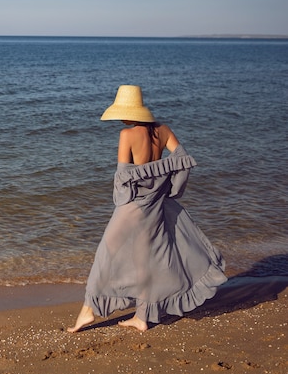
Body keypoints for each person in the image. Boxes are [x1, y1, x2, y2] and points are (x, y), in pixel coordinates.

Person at [67, 85, 227, 333]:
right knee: (145, 260)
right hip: (156, 207)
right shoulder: (163, 131)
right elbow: (183, 160)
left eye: (122, 111)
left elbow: (122, 179)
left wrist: (123, 200)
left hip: (131, 208)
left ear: (131, 112)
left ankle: (88, 311)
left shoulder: (126, 135)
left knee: (105, 255)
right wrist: (172, 190)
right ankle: (142, 316)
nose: (120, 117)